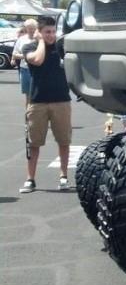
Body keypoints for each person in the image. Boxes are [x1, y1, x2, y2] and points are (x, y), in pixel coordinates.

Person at [19, 16, 72, 193]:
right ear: (39, 32)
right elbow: (38, 60)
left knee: (64, 141)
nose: (51, 35)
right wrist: (41, 42)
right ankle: (30, 179)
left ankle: (63, 177)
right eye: (47, 32)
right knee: (34, 144)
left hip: (61, 101)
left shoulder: (61, 48)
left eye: (53, 31)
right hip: (38, 102)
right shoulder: (30, 47)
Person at [11, 19, 38, 106]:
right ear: (26, 28)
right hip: (25, 70)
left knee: (38, 95)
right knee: (28, 96)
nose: (31, 30)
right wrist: (26, 56)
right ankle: (29, 116)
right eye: (29, 28)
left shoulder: (40, 40)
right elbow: (15, 53)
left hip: (37, 70)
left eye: (33, 28)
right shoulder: (21, 39)